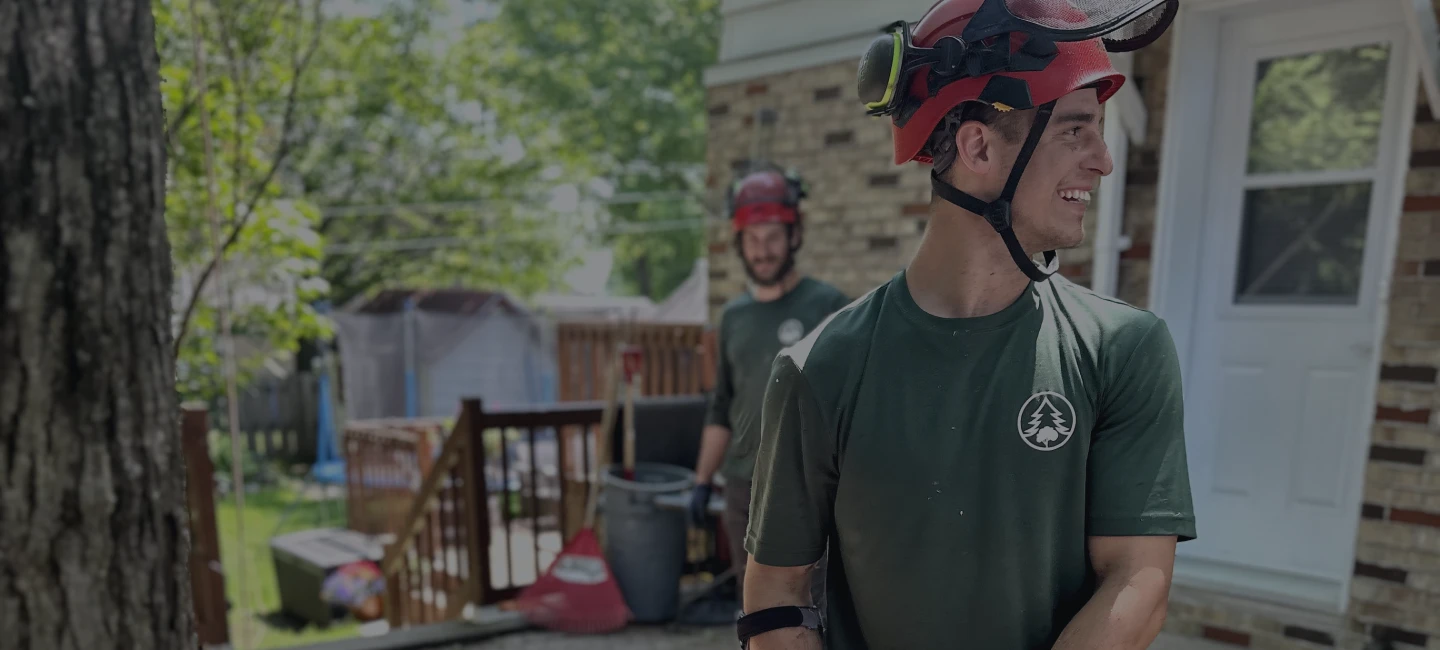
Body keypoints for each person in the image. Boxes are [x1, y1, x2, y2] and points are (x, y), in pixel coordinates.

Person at [736, 1, 1196, 648]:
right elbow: (775, 600)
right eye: (1074, 130)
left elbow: (1135, 581)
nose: (1102, 160)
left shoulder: (1124, 349)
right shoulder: (822, 367)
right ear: (978, 146)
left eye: (1099, 131)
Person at [689, 165, 851, 612]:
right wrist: (702, 482)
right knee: (758, 614)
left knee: (812, 607)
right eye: (752, 240)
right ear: (739, 244)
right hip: (743, 487)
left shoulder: (830, 308)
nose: (762, 251)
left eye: (773, 238)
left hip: (809, 485)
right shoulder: (733, 319)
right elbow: (721, 406)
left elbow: (851, 405)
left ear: (794, 236)